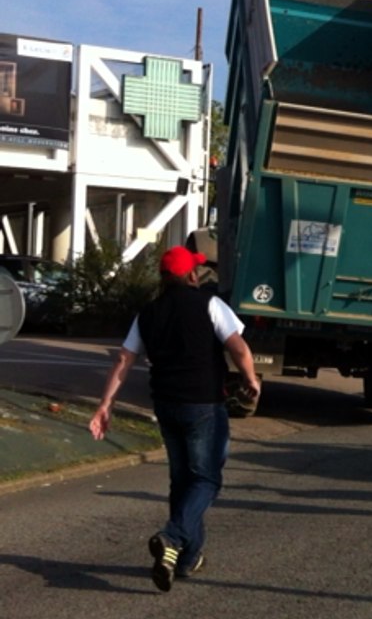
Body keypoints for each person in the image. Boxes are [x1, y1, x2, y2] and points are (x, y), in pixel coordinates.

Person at [88, 246, 260, 592]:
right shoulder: (210, 304)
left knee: (182, 482)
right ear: (192, 275)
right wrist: (251, 380)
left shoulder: (148, 313)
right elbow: (238, 347)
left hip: (166, 406)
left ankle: (185, 558)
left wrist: (105, 404)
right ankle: (173, 536)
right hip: (204, 405)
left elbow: (124, 359)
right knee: (206, 480)